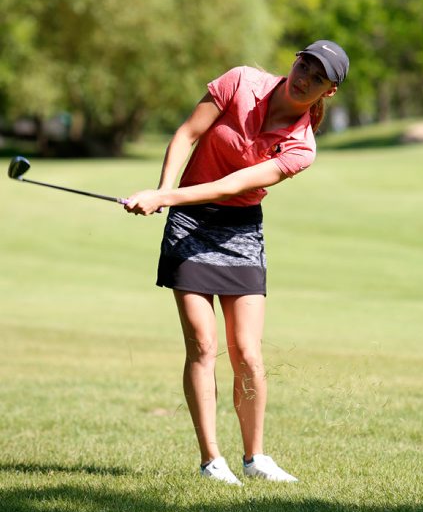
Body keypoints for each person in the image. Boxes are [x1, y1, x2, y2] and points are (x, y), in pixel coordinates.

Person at [124, 40, 349, 485]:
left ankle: (255, 458)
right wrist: (163, 192)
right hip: (189, 222)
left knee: (247, 352)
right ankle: (212, 460)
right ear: (295, 60)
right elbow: (188, 133)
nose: (304, 77)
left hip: (240, 230)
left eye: (317, 77)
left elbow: (233, 185)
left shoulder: (301, 147)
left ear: (329, 92)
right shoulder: (240, 81)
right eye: (304, 64)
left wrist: (163, 197)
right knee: (203, 344)